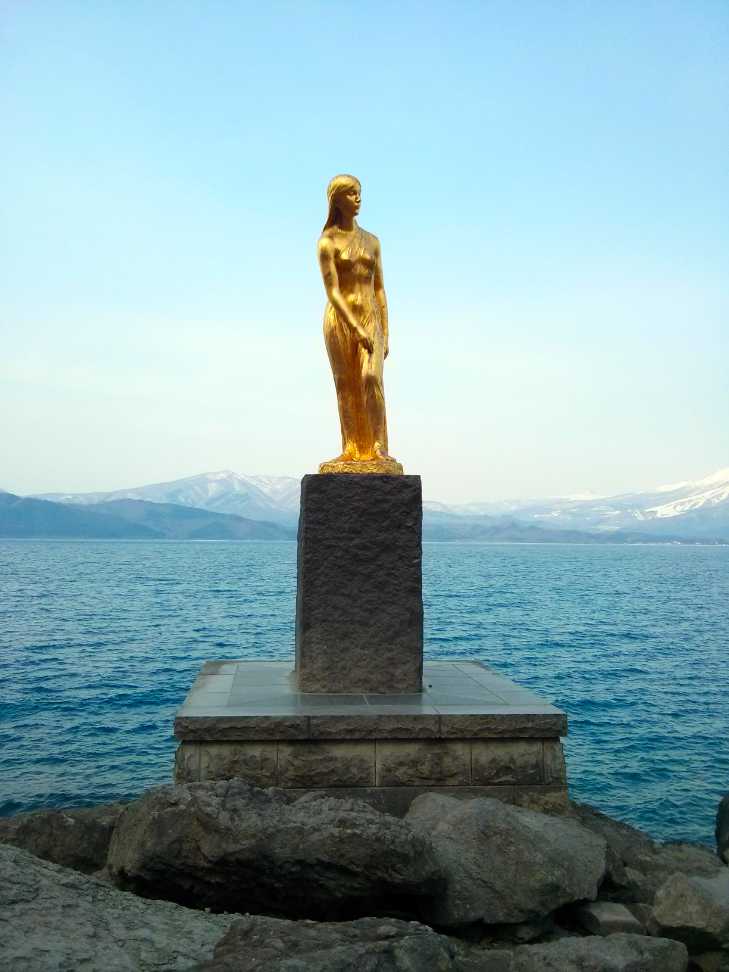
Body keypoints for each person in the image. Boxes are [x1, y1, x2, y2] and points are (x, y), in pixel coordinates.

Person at [317, 174, 399, 471]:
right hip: (341, 321)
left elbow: (380, 289)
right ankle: (351, 447)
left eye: (359, 193)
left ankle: (378, 447)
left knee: (370, 378)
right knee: (345, 384)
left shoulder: (372, 242)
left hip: (370, 317)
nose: (358, 199)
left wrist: (385, 332)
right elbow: (333, 291)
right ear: (336, 200)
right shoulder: (328, 242)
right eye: (351, 194)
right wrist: (354, 327)